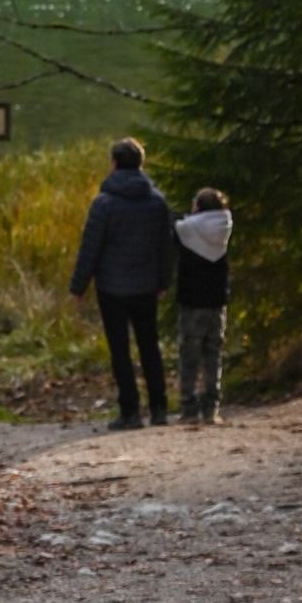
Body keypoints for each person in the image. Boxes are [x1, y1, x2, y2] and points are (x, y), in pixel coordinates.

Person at [68, 135, 175, 427]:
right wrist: (163, 281)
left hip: (112, 288)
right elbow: (166, 246)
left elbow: (91, 247)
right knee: (150, 346)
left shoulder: (104, 203)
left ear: (113, 165)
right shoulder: (157, 201)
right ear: (141, 165)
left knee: (121, 351)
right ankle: (159, 409)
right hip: (146, 286)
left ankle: (130, 412)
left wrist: (79, 287)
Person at [174, 183, 233, 424]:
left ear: (197, 207)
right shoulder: (224, 227)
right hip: (218, 302)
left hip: (192, 302)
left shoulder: (187, 229)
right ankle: (211, 409)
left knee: (189, 356)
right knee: (213, 355)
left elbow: (175, 226)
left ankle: (189, 408)